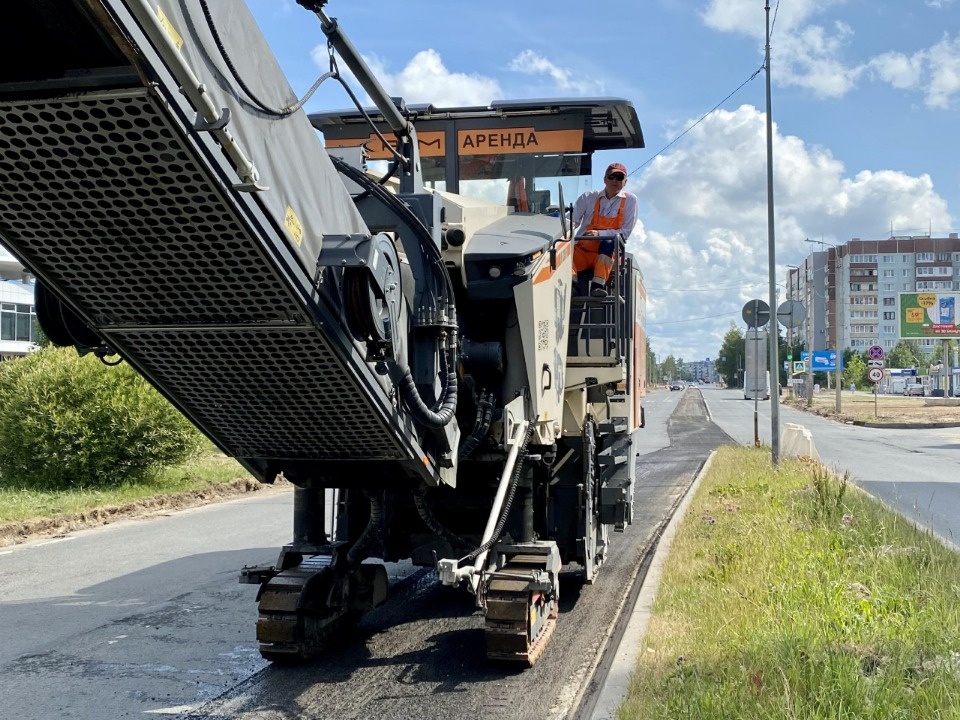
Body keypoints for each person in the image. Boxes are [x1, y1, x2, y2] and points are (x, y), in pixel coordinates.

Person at [571, 162, 638, 297]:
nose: (615, 180)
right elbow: (571, 222)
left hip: (608, 256)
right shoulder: (588, 197)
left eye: (619, 177)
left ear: (625, 181)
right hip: (582, 252)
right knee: (563, 251)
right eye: (611, 176)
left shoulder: (631, 200)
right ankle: (572, 287)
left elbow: (625, 233)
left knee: (608, 242)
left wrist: (599, 234)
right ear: (604, 179)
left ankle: (598, 286)